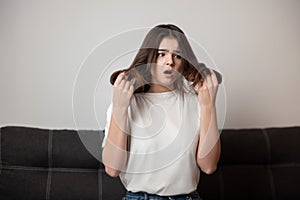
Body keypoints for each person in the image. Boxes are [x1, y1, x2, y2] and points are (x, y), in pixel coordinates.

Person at [102, 24, 221, 200]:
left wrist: (208, 106)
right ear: (148, 59)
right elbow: (112, 168)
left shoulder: (197, 103)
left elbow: (209, 166)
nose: (170, 61)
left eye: (177, 56)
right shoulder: (127, 104)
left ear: (183, 63)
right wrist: (120, 108)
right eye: (161, 54)